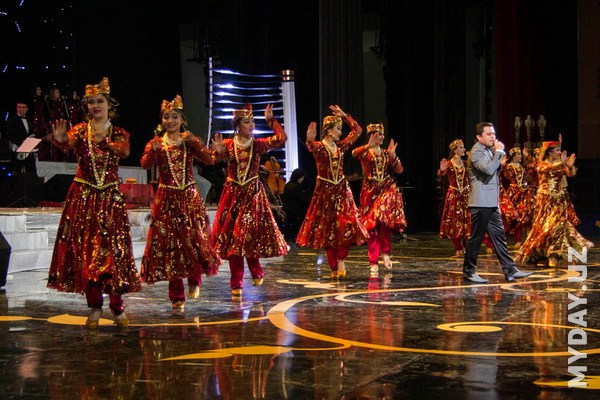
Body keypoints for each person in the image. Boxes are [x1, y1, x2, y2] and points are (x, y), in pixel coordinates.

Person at [46, 77, 141, 329]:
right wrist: (60, 139)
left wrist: (105, 141)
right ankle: (95, 306)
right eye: (91, 102)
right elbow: (67, 143)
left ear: (109, 105)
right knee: (87, 251)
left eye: (100, 101)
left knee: (114, 251)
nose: (95, 106)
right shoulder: (80, 130)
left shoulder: (118, 132)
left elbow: (124, 151)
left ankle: (117, 307)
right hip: (84, 197)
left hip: (109, 199)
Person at [140, 95, 224, 310]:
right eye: (166, 117)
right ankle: (176, 294)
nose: (170, 121)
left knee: (193, 240)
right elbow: (144, 165)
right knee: (170, 246)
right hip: (166, 200)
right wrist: (152, 151)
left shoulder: (188, 141)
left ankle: (195, 279)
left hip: (188, 198)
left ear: (182, 119)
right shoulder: (157, 142)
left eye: (174, 117)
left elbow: (210, 159)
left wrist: (204, 144)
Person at [211, 103, 288, 297]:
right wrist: (217, 152)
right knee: (234, 239)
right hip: (233, 195)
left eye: (253, 121)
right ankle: (236, 282)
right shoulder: (229, 145)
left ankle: (255, 269)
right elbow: (211, 160)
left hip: (252, 194)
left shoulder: (257, 144)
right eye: (247, 122)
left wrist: (271, 121)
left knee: (248, 234)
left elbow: (281, 139)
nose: (252, 125)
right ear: (238, 125)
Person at [296, 105, 368, 279]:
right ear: (328, 130)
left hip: (341, 190)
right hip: (325, 191)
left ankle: (341, 259)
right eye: (338, 129)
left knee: (344, 225)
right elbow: (310, 145)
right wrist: (309, 139)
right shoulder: (320, 147)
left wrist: (344, 116)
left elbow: (358, 131)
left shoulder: (341, 147)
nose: (340, 133)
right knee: (328, 230)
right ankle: (333, 267)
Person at [462, 122, 532, 283]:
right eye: (489, 134)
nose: (493, 137)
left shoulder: (488, 150)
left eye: (493, 133)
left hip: (490, 202)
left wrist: (498, 157)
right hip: (481, 202)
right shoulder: (476, 151)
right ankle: (469, 270)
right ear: (479, 137)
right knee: (476, 238)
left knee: (499, 236)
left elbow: (494, 170)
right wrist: (499, 152)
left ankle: (510, 269)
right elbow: (488, 170)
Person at [517, 141, 594, 267]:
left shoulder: (560, 164)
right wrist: (562, 163)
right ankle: (548, 254)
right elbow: (550, 168)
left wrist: (569, 166)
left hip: (560, 200)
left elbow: (571, 174)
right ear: (549, 152)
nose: (559, 152)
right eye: (557, 150)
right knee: (547, 227)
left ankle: (558, 255)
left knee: (560, 225)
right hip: (546, 201)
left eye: (559, 150)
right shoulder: (542, 164)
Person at [352, 123, 406, 274]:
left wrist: (393, 156)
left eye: (382, 134)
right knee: (372, 227)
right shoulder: (365, 152)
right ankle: (373, 260)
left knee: (384, 224)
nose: (382, 137)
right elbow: (354, 154)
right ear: (371, 135)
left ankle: (386, 253)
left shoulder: (386, 153)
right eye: (378, 134)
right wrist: (367, 146)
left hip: (386, 190)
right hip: (370, 192)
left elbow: (399, 170)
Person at [437, 139, 470, 258]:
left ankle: (466, 246)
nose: (464, 149)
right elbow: (440, 174)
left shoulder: (466, 163)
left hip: (466, 195)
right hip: (454, 195)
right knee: (454, 221)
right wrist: (442, 170)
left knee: (467, 220)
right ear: (455, 150)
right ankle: (458, 247)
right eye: (461, 147)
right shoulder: (449, 164)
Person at [6, 100, 37, 174]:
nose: (21, 109)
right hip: (17, 149)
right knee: (17, 171)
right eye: (19, 107)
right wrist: (20, 143)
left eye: (23, 107)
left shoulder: (29, 120)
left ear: (27, 109)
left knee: (32, 170)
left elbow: (31, 134)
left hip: (28, 149)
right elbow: (9, 135)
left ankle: (31, 181)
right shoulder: (12, 120)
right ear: (16, 108)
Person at [280, 167, 310, 240]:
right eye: (302, 178)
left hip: (287, 211)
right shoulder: (296, 187)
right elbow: (304, 200)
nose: (302, 179)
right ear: (298, 177)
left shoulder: (287, 185)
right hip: (295, 212)